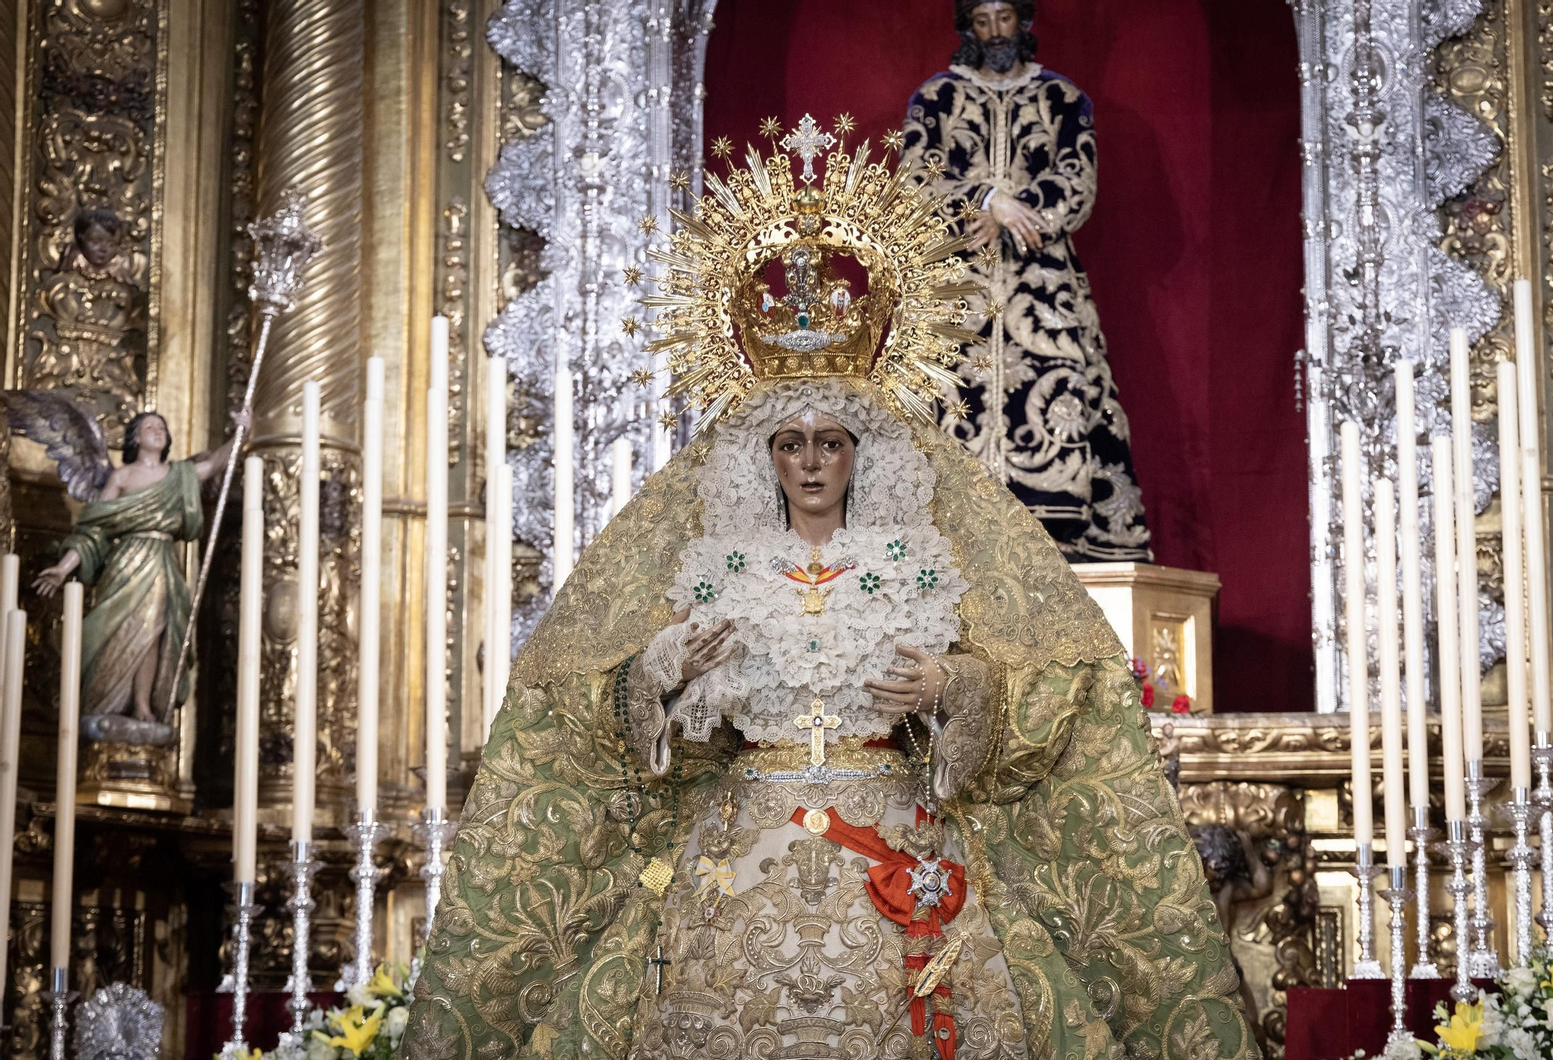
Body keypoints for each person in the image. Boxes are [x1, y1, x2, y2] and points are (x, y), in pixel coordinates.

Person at [401, 120, 1255, 1060]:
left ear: (861, 454)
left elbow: (1042, 693)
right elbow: (592, 713)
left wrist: (950, 691)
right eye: (791, 444)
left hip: (895, 855)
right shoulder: (714, 562)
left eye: (831, 443)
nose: (812, 463)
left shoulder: (919, 562)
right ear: (765, 459)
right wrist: (659, 671)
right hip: (737, 864)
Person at [904, 0, 1153, 563]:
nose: (995, 31)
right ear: (969, 28)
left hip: (1042, 279)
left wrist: (1020, 212)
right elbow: (915, 177)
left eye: (1004, 17)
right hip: (960, 275)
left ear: (1023, 22)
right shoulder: (936, 98)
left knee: (1066, 385)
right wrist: (987, 201)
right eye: (983, 20)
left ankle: (1060, 531)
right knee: (945, 394)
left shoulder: (1063, 99)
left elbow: (1077, 179)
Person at [34, 407, 250, 729]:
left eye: (162, 427)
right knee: (119, 629)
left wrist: (243, 432)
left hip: (161, 560)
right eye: (150, 426)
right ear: (136, 437)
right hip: (125, 563)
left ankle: (142, 704)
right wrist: (64, 569)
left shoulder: (179, 474)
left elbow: (217, 463)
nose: (158, 431)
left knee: (153, 633)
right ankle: (104, 700)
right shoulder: (122, 477)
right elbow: (94, 530)